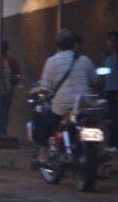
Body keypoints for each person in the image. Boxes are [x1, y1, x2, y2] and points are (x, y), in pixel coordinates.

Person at [30, 29, 96, 163]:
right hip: (84, 105)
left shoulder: (52, 61)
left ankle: (44, 152)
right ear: (73, 44)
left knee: (41, 120)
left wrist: (35, 91)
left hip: (62, 107)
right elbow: (94, 80)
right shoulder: (84, 59)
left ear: (57, 45)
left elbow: (45, 88)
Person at [105, 29, 118, 149]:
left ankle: (113, 142)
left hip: (116, 90)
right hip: (109, 91)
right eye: (110, 40)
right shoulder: (107, 56)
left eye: (115, 40)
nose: (112, 43)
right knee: (110, 117)